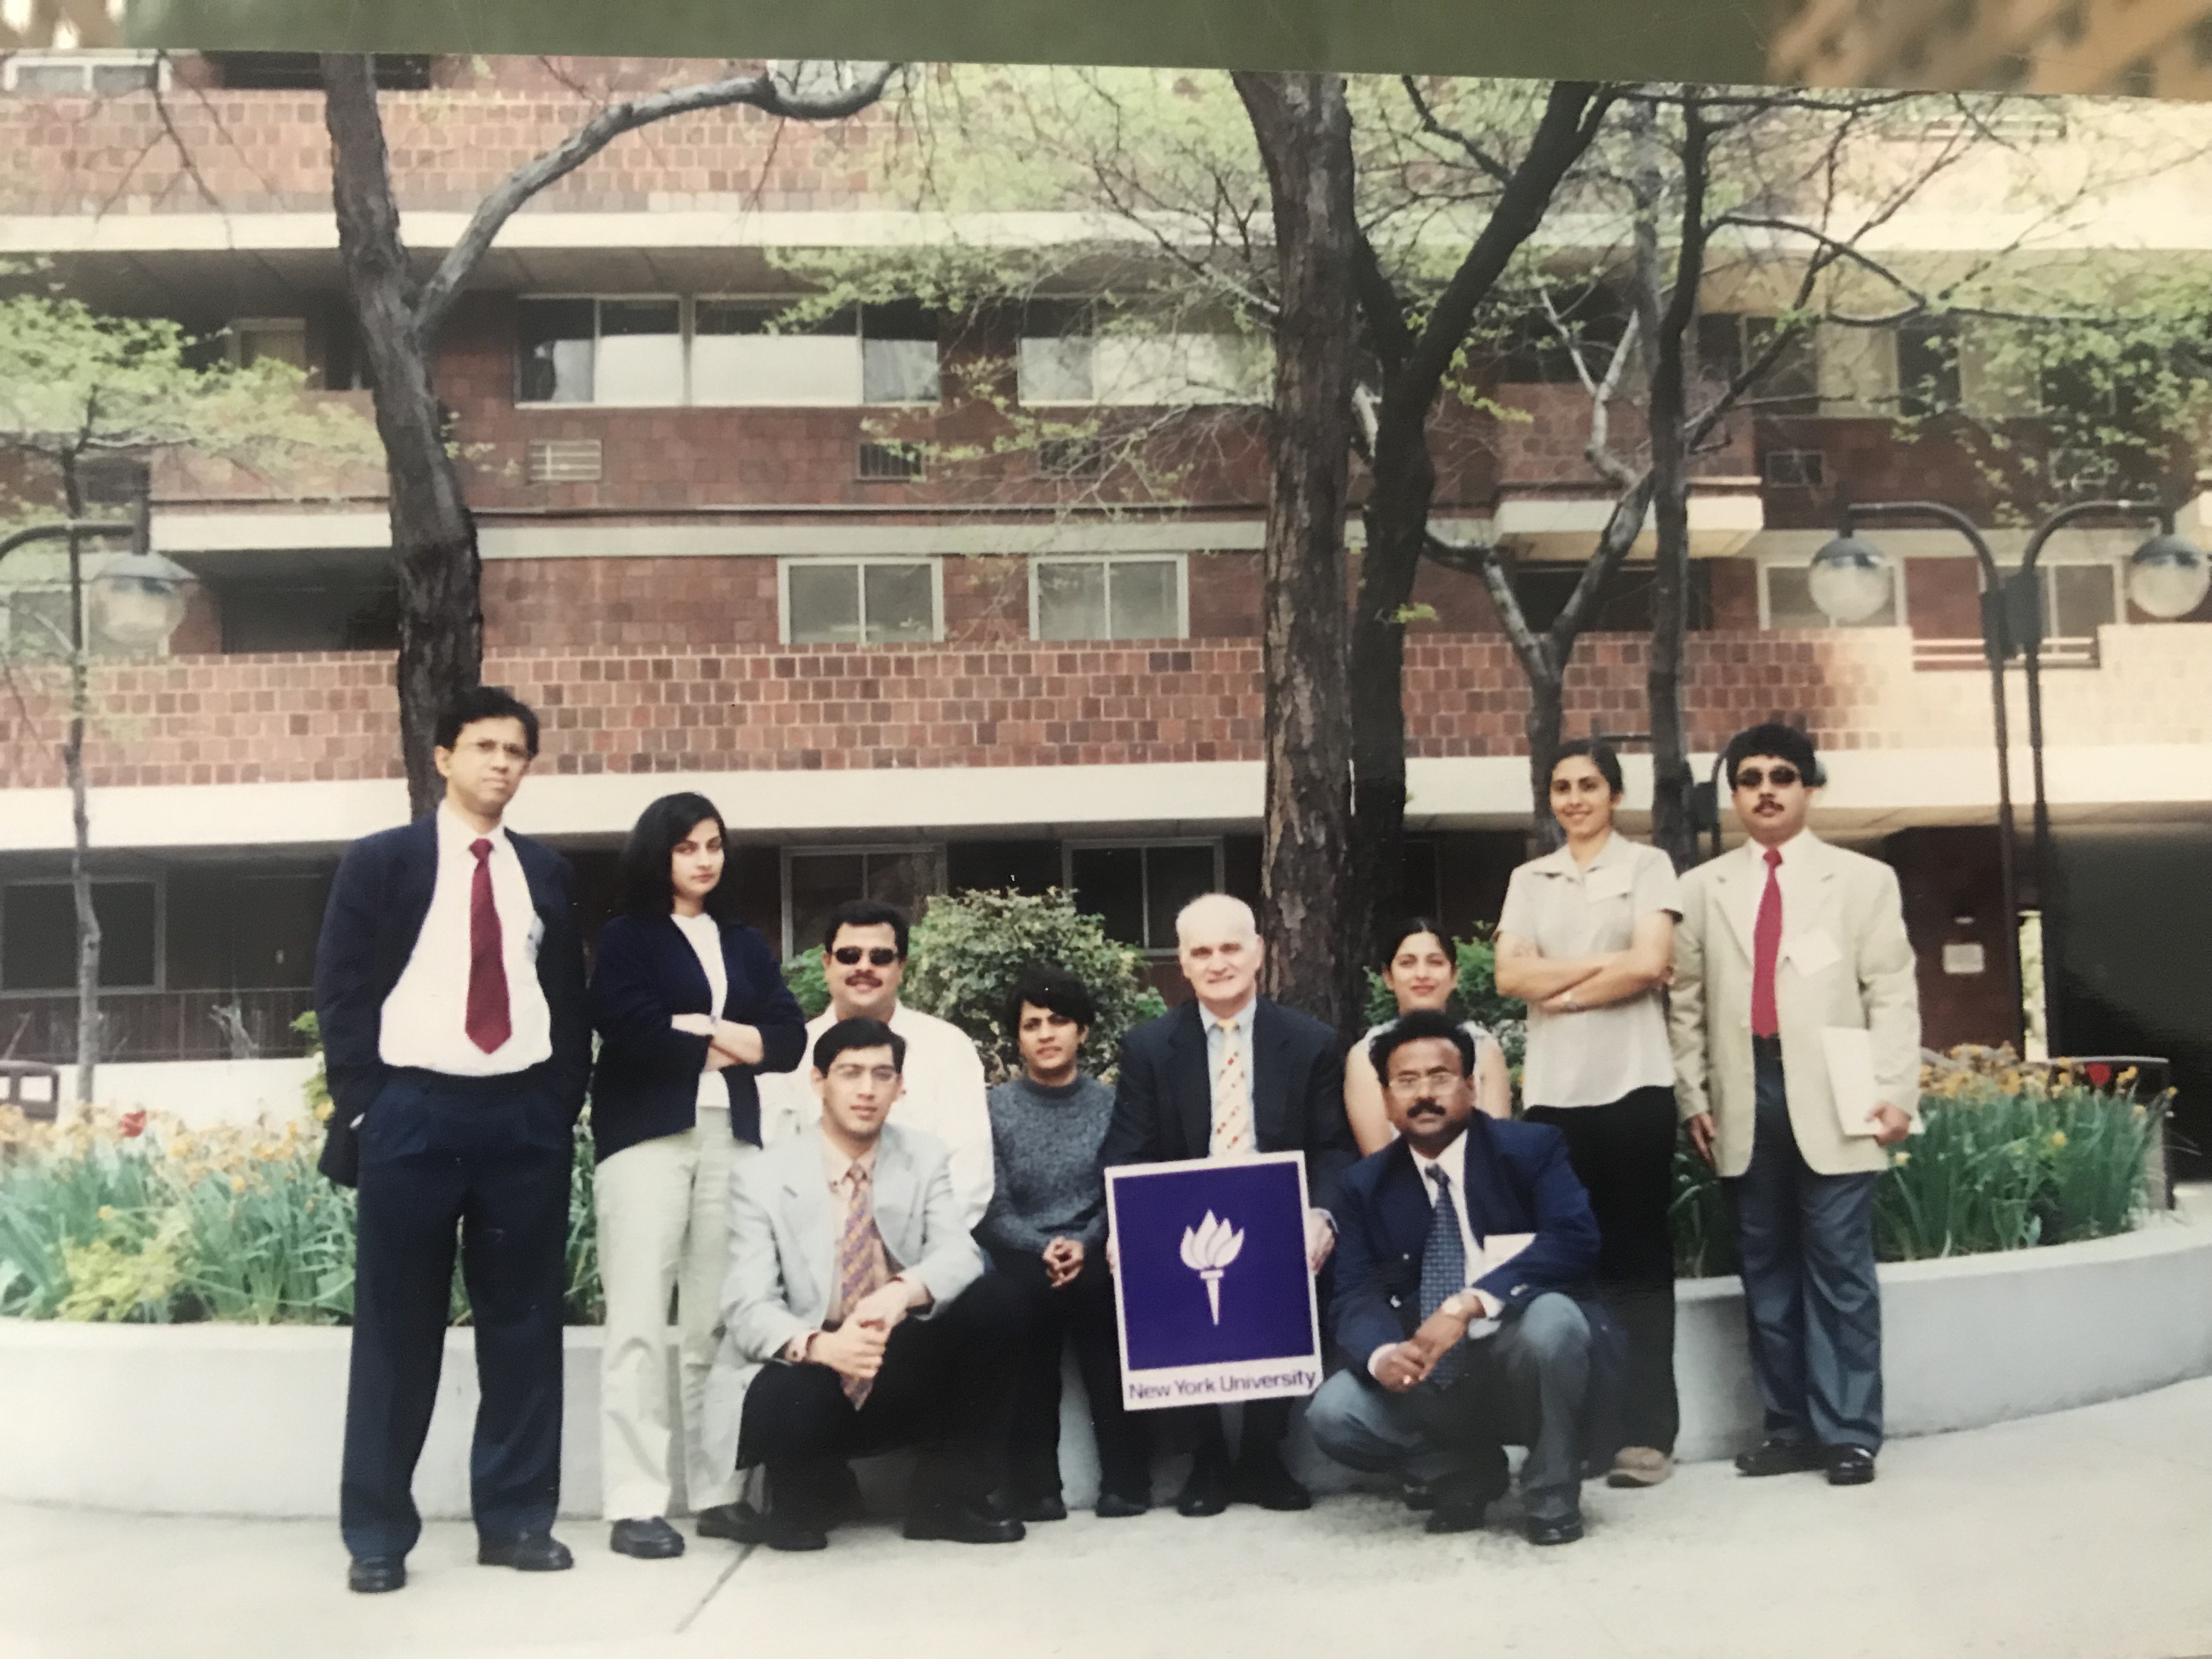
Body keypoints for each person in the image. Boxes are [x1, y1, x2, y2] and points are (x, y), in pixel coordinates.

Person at [312, 687, 590, 1595]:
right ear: (442, 757)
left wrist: (557, 1104)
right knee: (396, 1332)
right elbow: (342, 990)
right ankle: (378, 1535)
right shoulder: (382, 861)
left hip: (522, 1119)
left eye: (516, 751)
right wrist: (366, 1106)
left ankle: (516, 1521)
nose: (501, 764)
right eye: (484, 747)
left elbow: (565, 996)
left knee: (524, 1328)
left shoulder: (545, 870)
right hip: (414, 1112)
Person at [1669, 723, 1920, 1488]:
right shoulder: (1702, 889)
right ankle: (1788, 1430)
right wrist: (1694, 1097)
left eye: (1782, 776)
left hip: (1839, 1092)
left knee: (1841, 1268)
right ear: (1735, 795)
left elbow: (1892, 990)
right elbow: (1686, 1003)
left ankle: (1849, 1434)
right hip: (1744, 1093)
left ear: (1810, 787)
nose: (1767, 791)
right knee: (1766, 1269)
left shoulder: (1863, 881)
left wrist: (1894, 1091)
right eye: (1750, 779)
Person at [585, 793, 808, 1559]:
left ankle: (718, 1494)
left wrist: (704, 1029)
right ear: (660, 855)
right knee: (641, 1322)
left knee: (718, 1324)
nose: (705, 859)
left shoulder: (742, 942)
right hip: (647, 1139)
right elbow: (631, 1031)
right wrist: (736, 1042)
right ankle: (635, 1504)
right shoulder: (628, 937)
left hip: (731, 1140)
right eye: (687, 847)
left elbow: (788, 1039)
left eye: (714, 845)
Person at [709, 1018, 1026, 1552]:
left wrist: (903, 1291)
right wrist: (822, 1347)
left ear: (900, 1088)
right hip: (815, 1372)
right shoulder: (764, 1175)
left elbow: (959, 1254)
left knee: (997, 1300)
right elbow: (747, 1305)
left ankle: (946, 1501)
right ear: (818, 1082)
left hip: (896, 1360)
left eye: (882, 1075)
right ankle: (814, 1492)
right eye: (850, 1073)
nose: (867, 1090)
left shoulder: (923, 1157)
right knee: (797, 1524)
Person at [1099, 892, 1356, 1518]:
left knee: (1313, 1263)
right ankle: (1207, 1457)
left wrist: (1321, 1216)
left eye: (1231, 948)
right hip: (1184, 1219)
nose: (1218, 963)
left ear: (1259, 954)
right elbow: (1126, 1153)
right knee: (1148, 1269)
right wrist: (1127, 1227)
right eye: (1203, 952)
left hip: (1279, 1218)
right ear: (1184, 964)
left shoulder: (1311, 1042)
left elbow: (1333, 1147)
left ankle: (1264, 1454)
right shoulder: (1149, 1048)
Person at [1306, 1010, 1602, 1545]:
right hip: (1431, 1373)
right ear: (1387, 1098)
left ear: (1471, 1086)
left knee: (1554, 1321)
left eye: (1440, 1077)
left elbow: (1573, 1239)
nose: (1424, 1094)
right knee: (1336, 1411)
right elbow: (1354, 1293)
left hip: (1518, 1352)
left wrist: (1471, 1303)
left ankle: (1551, 1494)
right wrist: (1383, 1355)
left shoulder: (1531, 1149)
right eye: (1406, 1081)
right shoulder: (1364, 1185)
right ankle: (1463, 1472)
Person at [1494, 741, 1684, 1491]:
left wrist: (1561, 991)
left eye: (1590, 785)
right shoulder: (1529, 878)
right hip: (1555, 1098)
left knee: (1639, 1264)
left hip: (1635, 1087)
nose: (1574, 799)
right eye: (1562, 787)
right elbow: (1510, 975)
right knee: (1571, 1268)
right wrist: (1604, 969)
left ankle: (1647, 1434)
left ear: (1615, 794)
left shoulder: (1648, 866)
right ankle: (1584, 1434)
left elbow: (1652, 963)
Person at [975, 966, 1149, 1521]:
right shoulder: (993, 1109)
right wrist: (1041, 1247)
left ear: (1083, 1032)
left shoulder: (1113, 1105)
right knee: (1020, 1310)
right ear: (1018, 1037)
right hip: (1023, 1250)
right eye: (1032, 1025)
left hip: (1095, 1247)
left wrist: (1084, 1241)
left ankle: (1126, 1481)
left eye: (1059, 1021)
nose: (1046, 1034)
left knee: (1108, 1304)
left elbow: (1119, 1191)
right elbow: (992, 1207)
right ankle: (1035, 1489)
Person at [758, 900, 993, 1229]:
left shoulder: (947, 1048)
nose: (864, 967)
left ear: (901, 967)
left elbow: (969, 1171)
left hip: (925, 1240)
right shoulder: (793, 1053)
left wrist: (912, 1245)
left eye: (880, 957)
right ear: (827, 964)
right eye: (849, 956)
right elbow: (774, 1162)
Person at [1344, 919, 1511, 1155]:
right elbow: (1378, 1158)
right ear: (1388, 977)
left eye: (1435, 962)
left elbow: (1497, 1145)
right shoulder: (1365, 1056)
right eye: (1407, 963)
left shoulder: (1484, 1048)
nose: (1422, 974)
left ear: (1454, 975)